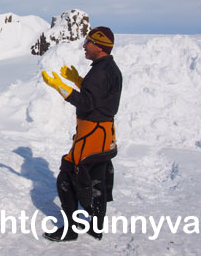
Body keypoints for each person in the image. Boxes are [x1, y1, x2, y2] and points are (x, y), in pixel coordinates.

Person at [41, 26, 122, 242]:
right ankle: (96, 226)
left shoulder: (99, 72)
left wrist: (61, 87)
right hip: (104, 134)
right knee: (96, 178)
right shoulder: (109, 68)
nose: (84, 45)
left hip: (91, 135)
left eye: (89, 42)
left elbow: (87, 103)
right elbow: (99, 96)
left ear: (100, 46)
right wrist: (78, 81)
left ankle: (69, 230)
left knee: (66, 176)